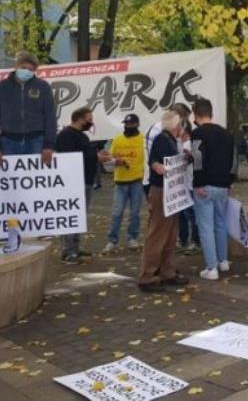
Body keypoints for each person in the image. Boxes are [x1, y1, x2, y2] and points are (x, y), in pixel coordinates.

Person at [139, 110, 190, 293]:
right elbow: (154, 160)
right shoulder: (162, 139)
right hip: (161, 190)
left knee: (170, 233)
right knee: (159, 233)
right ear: (176, 126)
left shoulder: (169, 139)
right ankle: (147, 275)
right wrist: (157, 166)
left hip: (170, 190)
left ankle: (166, 270)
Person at [55, 107, 111, 264]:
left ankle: (75, 248)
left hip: (85, 180)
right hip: (72, 181)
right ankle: (67, 251)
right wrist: (96, 157)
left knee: (79, 217)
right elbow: (70, 157)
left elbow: (86, 154)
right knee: (70, 216)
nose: (91, 122)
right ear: (79, 118)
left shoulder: (81, 135)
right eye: (89, 118)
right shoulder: (66, 135)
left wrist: (98, 155)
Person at [191, 98, 236, 281]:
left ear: (196, 114)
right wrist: (230, 181)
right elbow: (234, 160)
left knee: (206, 227)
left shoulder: (197, 133)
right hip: (223, 185)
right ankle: (223, 261)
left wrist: (198, 183)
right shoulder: (227, 134)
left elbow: (198, 158)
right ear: (211, 113)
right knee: (220, 223)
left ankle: (211, 267)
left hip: (206, 185)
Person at [0, 51, 56, 166]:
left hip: (37, 141)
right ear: (16, 66)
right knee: (10, 180)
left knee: (36, 179)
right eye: (24, 68)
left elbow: (50, 116)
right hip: (8, 141)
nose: (27, 71)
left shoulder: (43, 86)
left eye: (31, 69)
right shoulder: (1, 87)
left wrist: (49, 145)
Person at [103, 114, 145, 253]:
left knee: (135, 213)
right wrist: (116, 161)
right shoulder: (118, 139)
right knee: (117, 212)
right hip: (120, 181)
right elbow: (108, 157)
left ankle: (132, 238)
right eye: (126, 124)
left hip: (137, 181)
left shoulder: (142, 139)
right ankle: (112, 240)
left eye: (131, 124)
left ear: (137, 124)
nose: (128, 126)